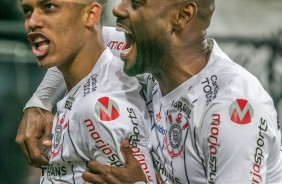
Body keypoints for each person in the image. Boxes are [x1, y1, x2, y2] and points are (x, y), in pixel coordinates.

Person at [16, 0, 282, 183]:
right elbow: (77, 42)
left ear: (182, 16)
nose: (118, 9)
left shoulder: (231, 109)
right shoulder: (144, 49)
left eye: (136, 2)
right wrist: (39, 103)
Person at [16, 0, 157, 183]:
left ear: (91, 15)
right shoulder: (83, 81)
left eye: (49, 7)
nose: (32, 22)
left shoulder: (98, 108)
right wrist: (39, 101)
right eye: (27, 11)